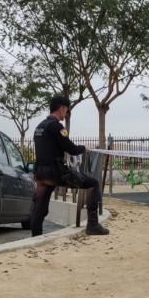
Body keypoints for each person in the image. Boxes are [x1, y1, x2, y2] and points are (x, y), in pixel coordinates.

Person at [30, 95, 109, 237]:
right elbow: (71, 148)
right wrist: (84, 148)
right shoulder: (56, 126)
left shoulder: (39, 127)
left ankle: (35, 237)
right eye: (66, 111)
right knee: (92, 184)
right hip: (55, 172)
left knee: (40, 207)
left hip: (40, 173)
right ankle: (92, 225)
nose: (66, 114)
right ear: (62, 108)